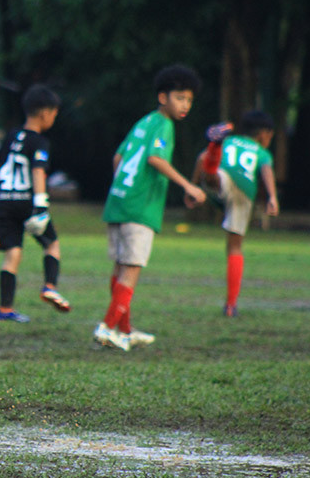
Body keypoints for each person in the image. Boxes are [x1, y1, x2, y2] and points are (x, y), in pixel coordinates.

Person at [95, 64, 206, 351]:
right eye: (180, 98)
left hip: (118, 201)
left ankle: (125, 330)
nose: (185, 105)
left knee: (121, 267)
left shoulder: (143, 122)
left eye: (189, 100)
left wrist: (124, 187)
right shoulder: (164, 125)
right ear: (163, 97)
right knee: (132, 268)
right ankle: (107, 327)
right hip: (140, 208)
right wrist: (189, 186)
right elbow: (155, 159)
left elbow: (118, 158)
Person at [0, 84, 71, 325]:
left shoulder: (12, 136)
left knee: (13, 252)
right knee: (52, 244)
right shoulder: (40, 142)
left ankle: (4, 308)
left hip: (6, 201)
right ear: (45, 113)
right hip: (28, 202)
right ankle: (49, 286)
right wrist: (41, 205)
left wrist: (4, 188)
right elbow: (38, 172)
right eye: (54, 114)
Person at [192, 110, 279, 316]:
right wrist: (272, 197)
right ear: (264, 133)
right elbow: (266, 170)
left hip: (223, 174)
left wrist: (193, 185)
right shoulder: (262, 151)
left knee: (215, 177)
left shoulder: (229, 141)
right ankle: (231, 305)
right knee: (235, 247)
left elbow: (200, 158)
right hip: (244, 190)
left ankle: (214, 149)